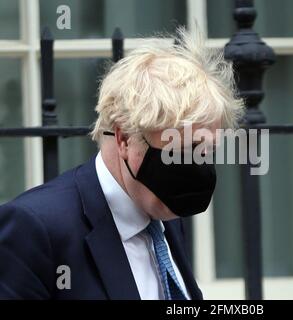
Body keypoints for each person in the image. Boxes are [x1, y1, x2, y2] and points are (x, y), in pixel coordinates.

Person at [0, 26, 244, 299]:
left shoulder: (164, 216)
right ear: (125, 139)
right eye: (181, 151)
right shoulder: (35, 230)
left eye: (207, 150)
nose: (197, 165)